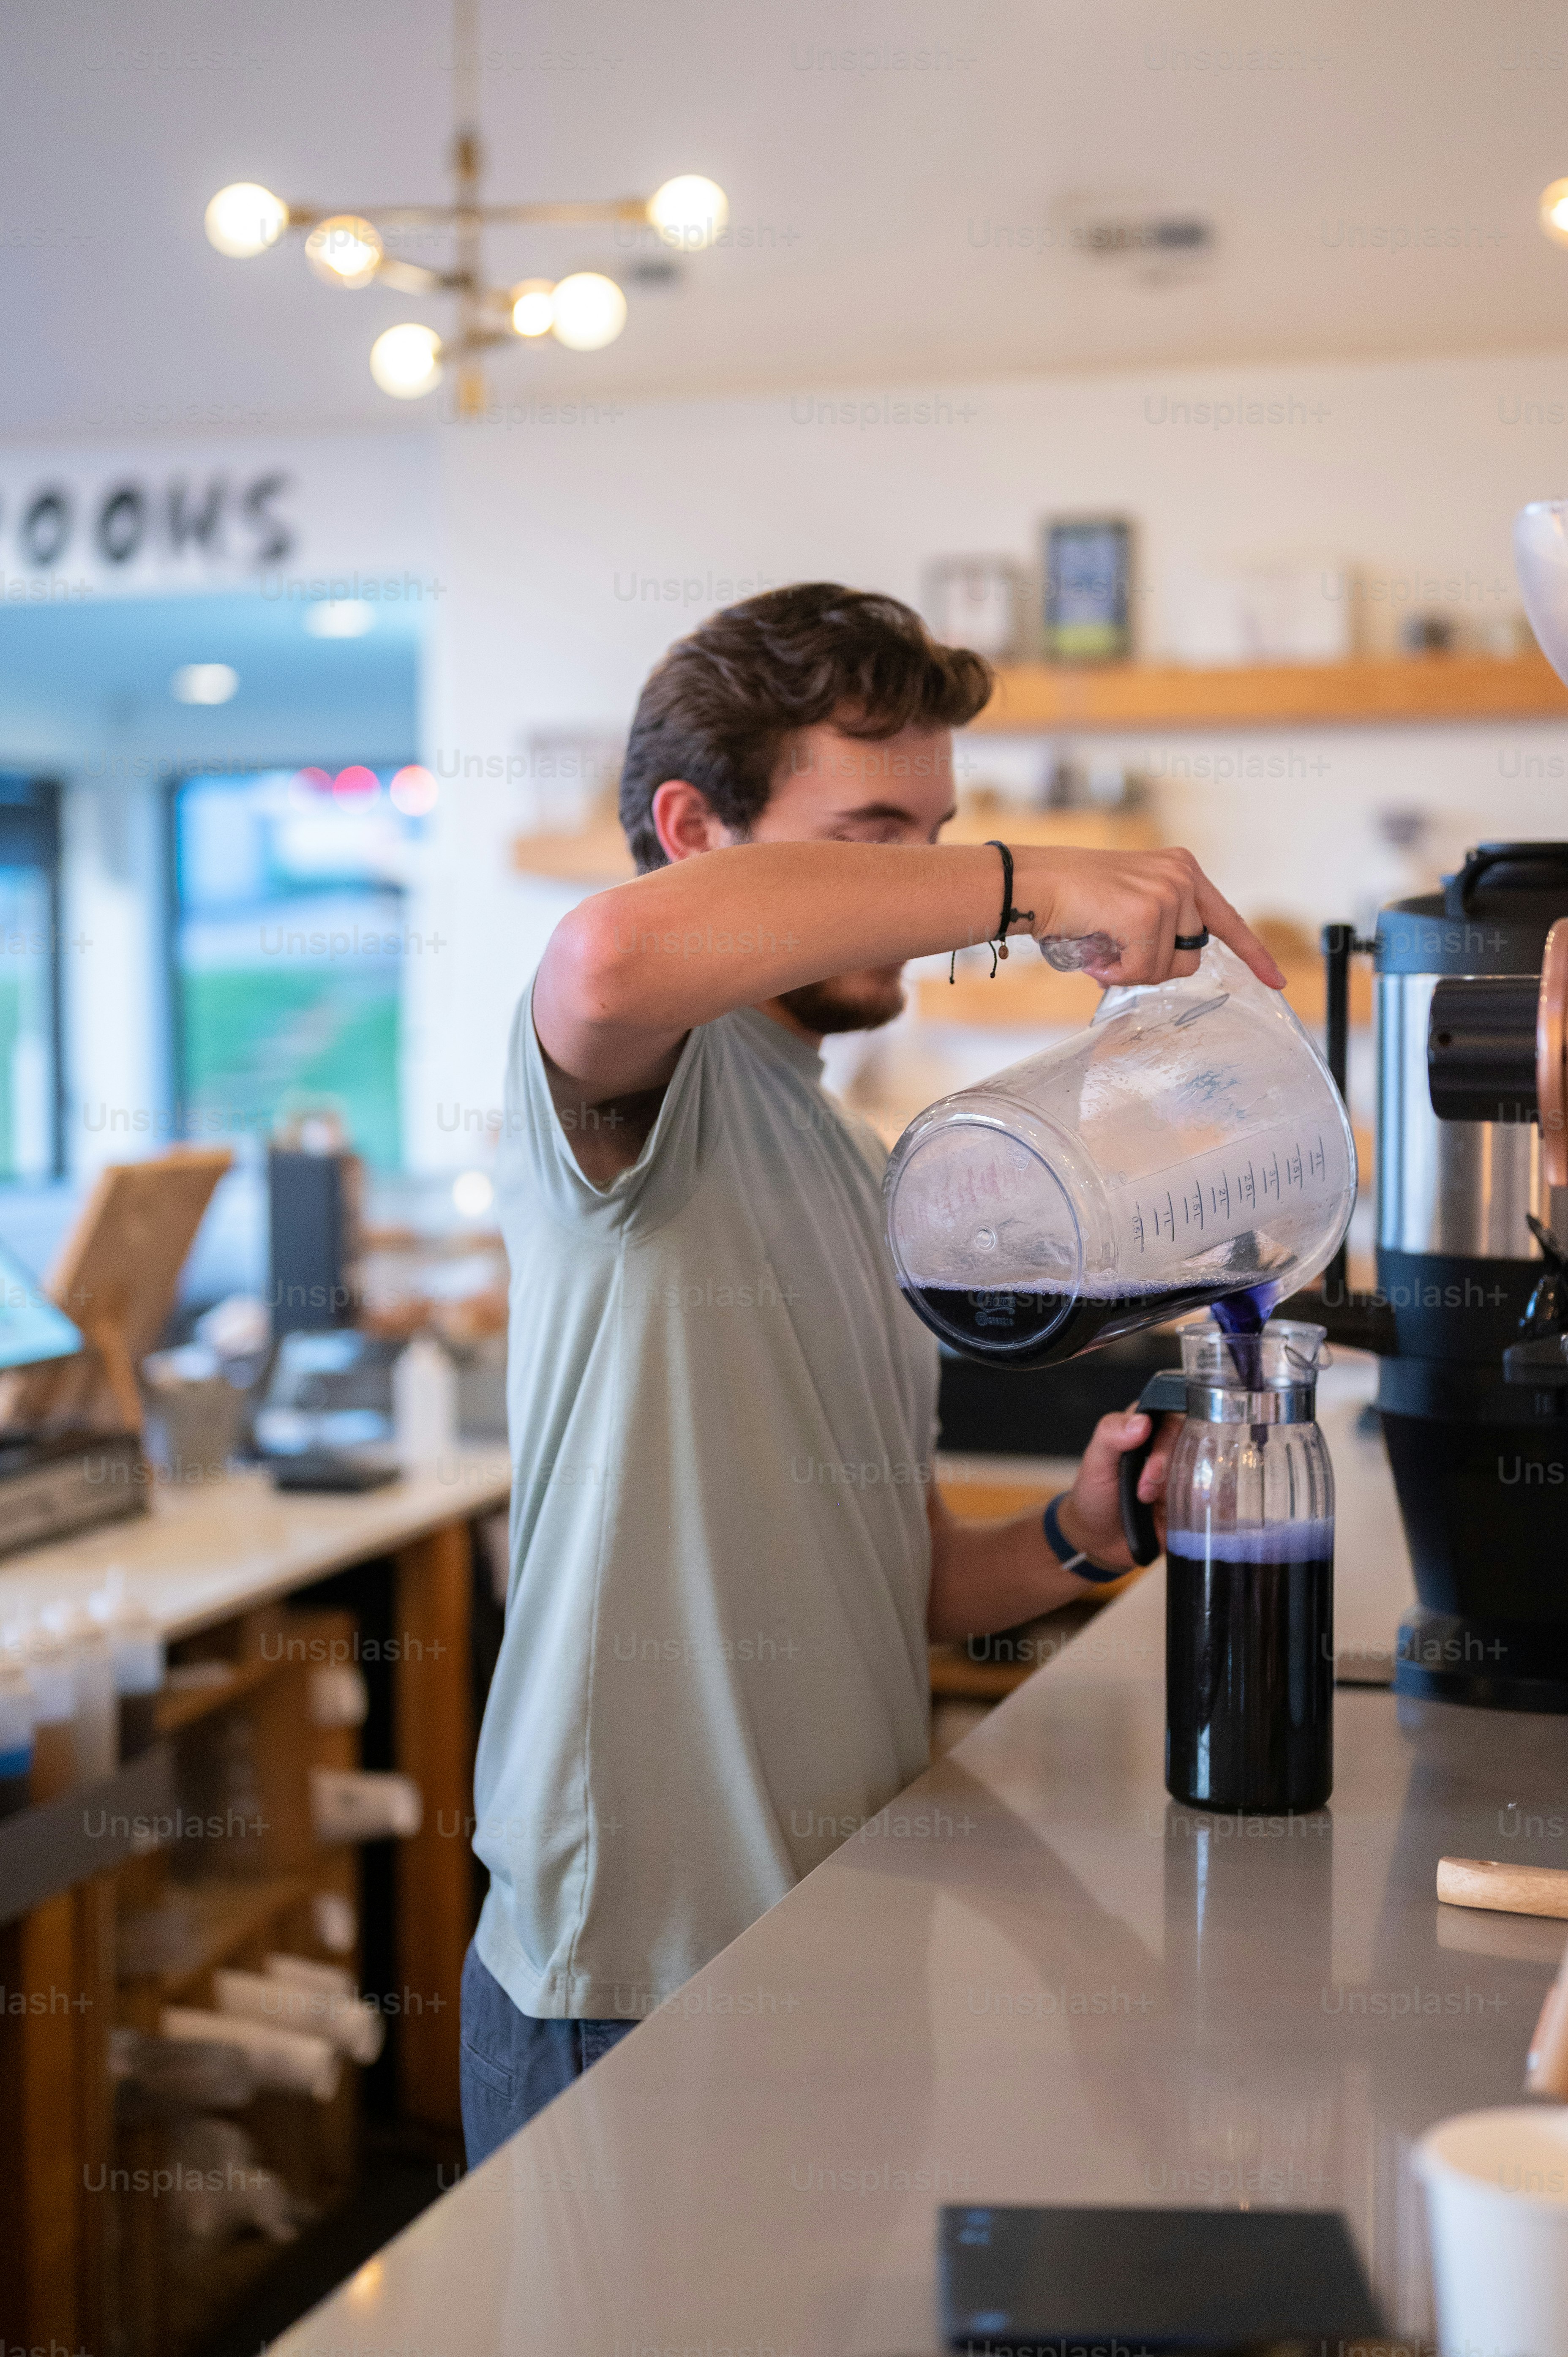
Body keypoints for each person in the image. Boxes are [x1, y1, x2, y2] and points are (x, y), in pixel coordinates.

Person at [459, 581, 1286, 2161]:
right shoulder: (648, 1090)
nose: (916, 885)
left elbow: (889, 1580)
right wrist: (1027, 876)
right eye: (874, 836)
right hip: (636, 1972)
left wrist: (1077, 1536)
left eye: (941, 831)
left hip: (832, 1927)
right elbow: (609, 958)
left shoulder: (855, 1164)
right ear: (695, 828)